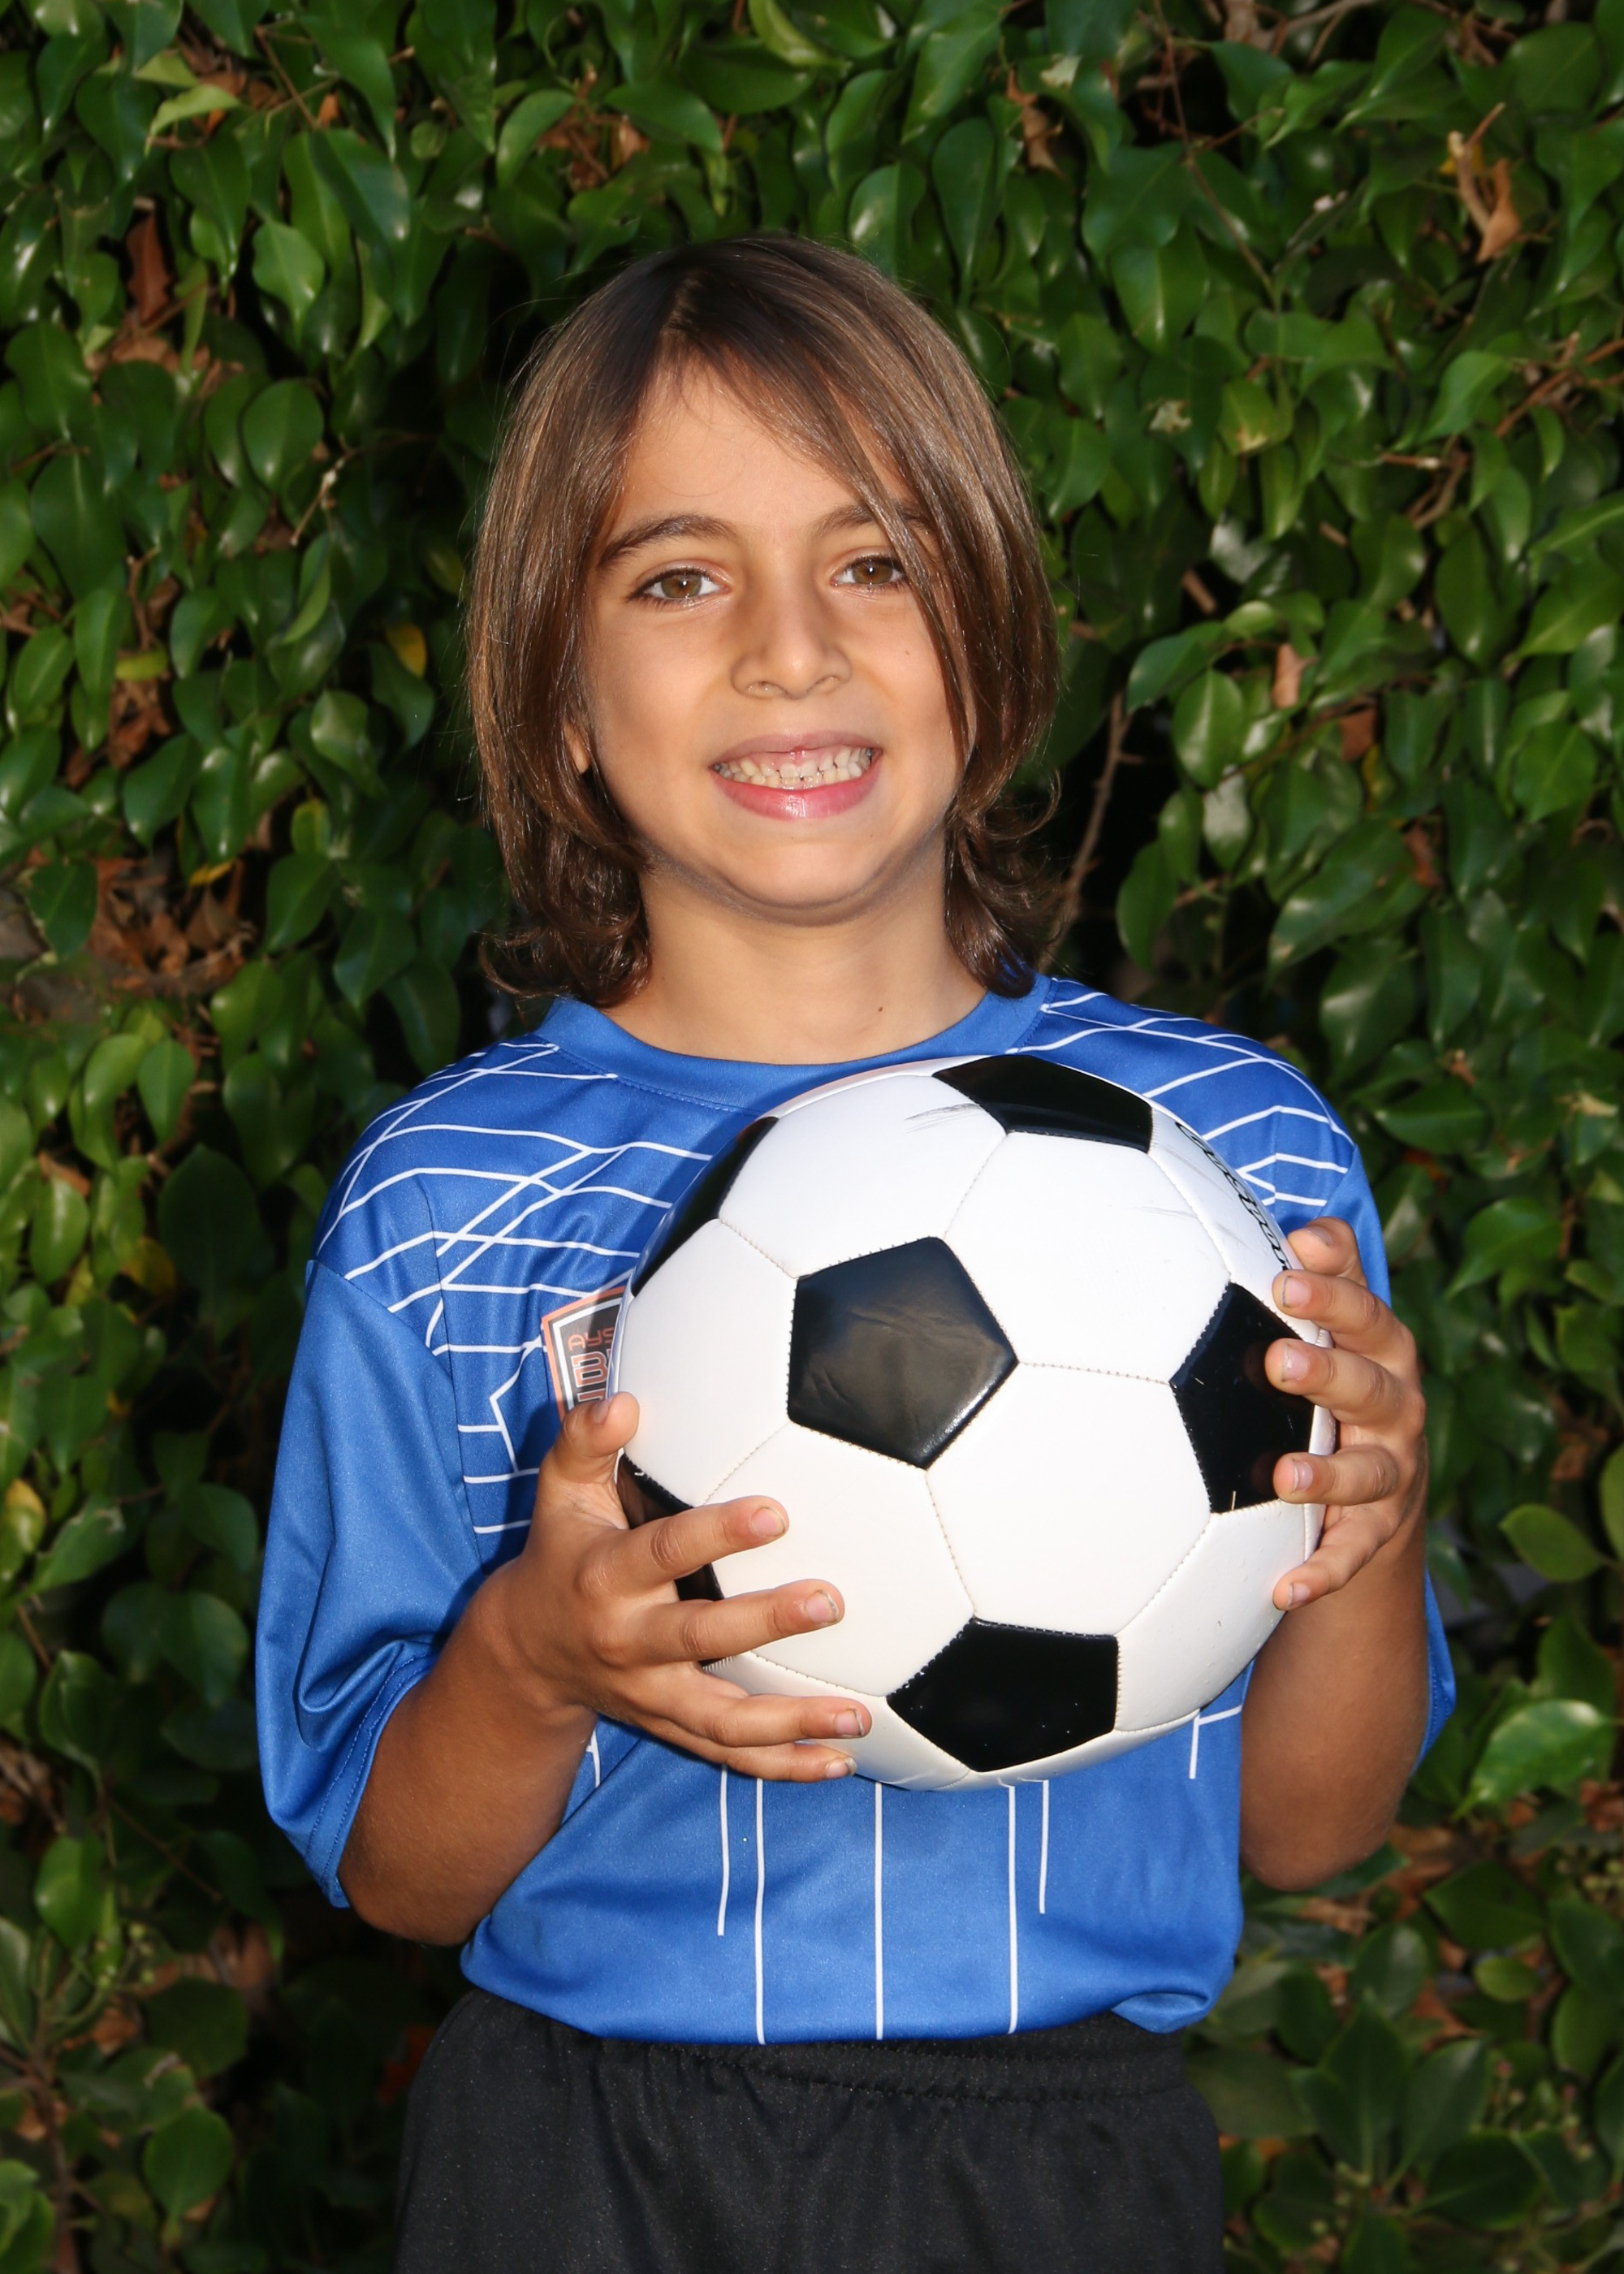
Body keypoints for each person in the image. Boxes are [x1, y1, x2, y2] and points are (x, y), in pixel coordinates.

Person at [256, 236, 1453, 2274]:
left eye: (874, 561)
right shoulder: (448, 1199)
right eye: (678, 577)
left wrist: (1379, 1513)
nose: (789, 650)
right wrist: (537, 1660)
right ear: (557, 693)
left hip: (1064, 2164)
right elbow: (398, 1878)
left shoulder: (1237, 1163)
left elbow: (1311, 1824)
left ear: (987, 628)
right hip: (585, 2157)